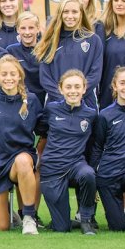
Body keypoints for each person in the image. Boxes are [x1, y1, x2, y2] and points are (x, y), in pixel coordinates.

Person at [0, 55, 44, 234]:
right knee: (2, 227)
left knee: (23, 161)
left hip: (21, 159)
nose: (8, 78)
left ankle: (29, 217)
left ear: (20, 76)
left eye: (12, 74)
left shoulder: (32, 100)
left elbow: (45, 130)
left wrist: (39, 158)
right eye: (4, 74)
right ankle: (12, 214)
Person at [39, 70, 101, 232]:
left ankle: (86, 220)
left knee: (88, 174)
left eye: (77, 87)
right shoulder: (51, 109)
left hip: (76, 165)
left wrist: (94, 166)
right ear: (61, 89)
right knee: (62, 228)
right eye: (68, 87)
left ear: (84, 89)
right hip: (52, 168)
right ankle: (64, 221)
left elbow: (95, 143)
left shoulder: (91, 114)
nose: (73, 91)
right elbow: (41, 130)